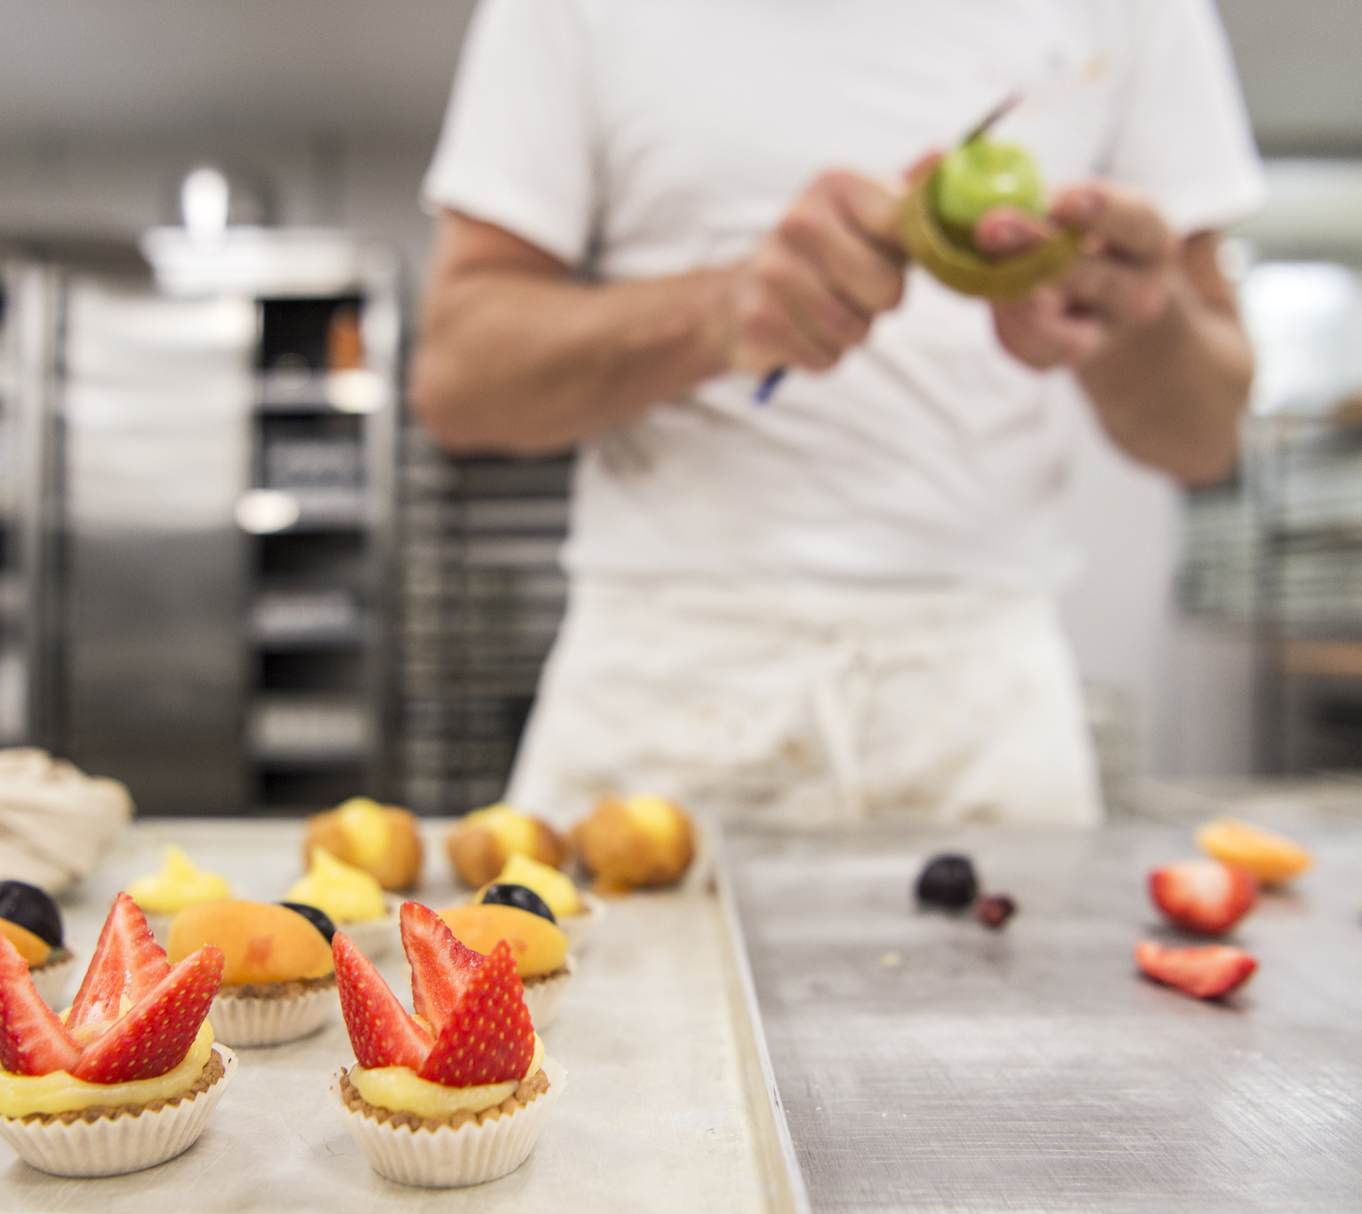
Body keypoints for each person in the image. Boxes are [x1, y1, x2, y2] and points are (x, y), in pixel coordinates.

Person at [413, 0, 1263, 829]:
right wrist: (716, 313)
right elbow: (459, 381)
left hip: (981, 696)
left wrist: (1130, 319)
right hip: (664, 677)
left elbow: (1205, 438)